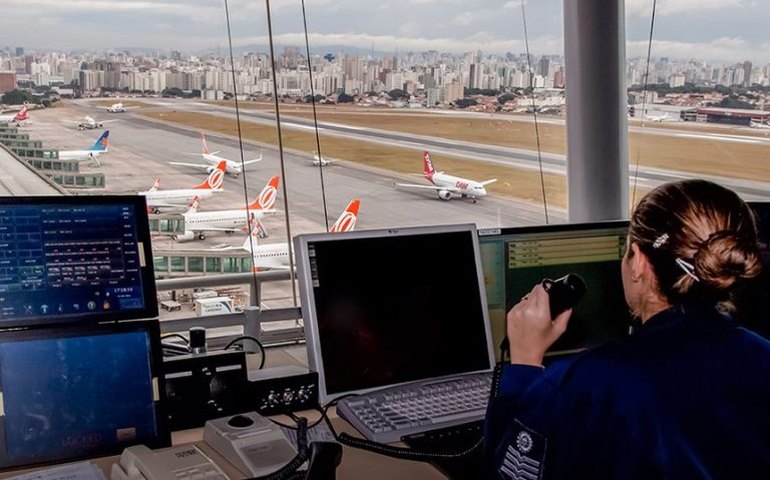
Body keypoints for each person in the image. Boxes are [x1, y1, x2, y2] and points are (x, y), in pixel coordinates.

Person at [484, 179, 770, 479]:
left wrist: (524, 362)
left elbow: (507, 472)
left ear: (639, 264)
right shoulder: (763, 354)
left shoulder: (583, 385)